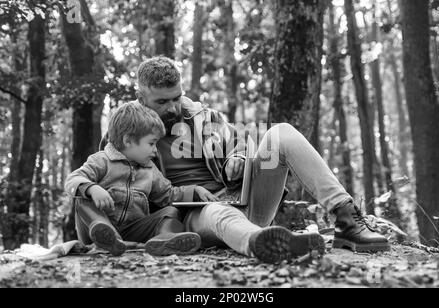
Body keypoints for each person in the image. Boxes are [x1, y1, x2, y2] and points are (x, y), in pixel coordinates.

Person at [100, 56, 390, 263]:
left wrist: (236, 158)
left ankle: (346, 219)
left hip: (243, 201)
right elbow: (113, 185)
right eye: (162, 102)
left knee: (281, 134)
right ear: (141, 97)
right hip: (188, 218)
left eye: (177, 97)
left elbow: (238, 143)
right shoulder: (125, 133)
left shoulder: (204, 118)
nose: (173, 108)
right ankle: (265, 245)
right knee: (215, 211)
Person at [65, 103, 218, 257]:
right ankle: (107, 238)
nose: (156, 150)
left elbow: (168, 195)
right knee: (82, 198)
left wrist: (194, 191)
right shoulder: (101, 160)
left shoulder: (150, 169)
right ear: (128, 141)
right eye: (151, 143)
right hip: (96, 227)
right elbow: (73, 179)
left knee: (170, 211)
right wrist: (92, 189)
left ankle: (165, 239)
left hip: (133, 229)